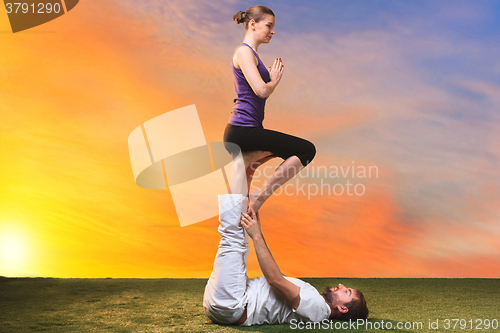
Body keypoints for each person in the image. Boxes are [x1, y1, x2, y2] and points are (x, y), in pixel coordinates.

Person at [202, 193, 369, 326]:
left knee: (233, 236)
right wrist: (257, 232)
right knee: (238, 233)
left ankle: (244, 163)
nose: (341, 286)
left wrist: (257, 236)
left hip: (232, 304)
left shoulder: (317, 308)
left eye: (346, 292)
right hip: (231, 302)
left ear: (342, 308)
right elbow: (278, 278)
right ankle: (246, 166)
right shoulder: (315, 302)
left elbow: (275, 279)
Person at [224, 5, 316, 213]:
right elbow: (261, 90)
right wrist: (273, 81)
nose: (273, 31)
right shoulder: (243, 52)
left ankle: (238, 227)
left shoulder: (252, 54)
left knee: (247, 171)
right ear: (253, 25)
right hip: (243, 131)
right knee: (306, 150)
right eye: (269, 25)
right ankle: (261, 194)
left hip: (246, 130)